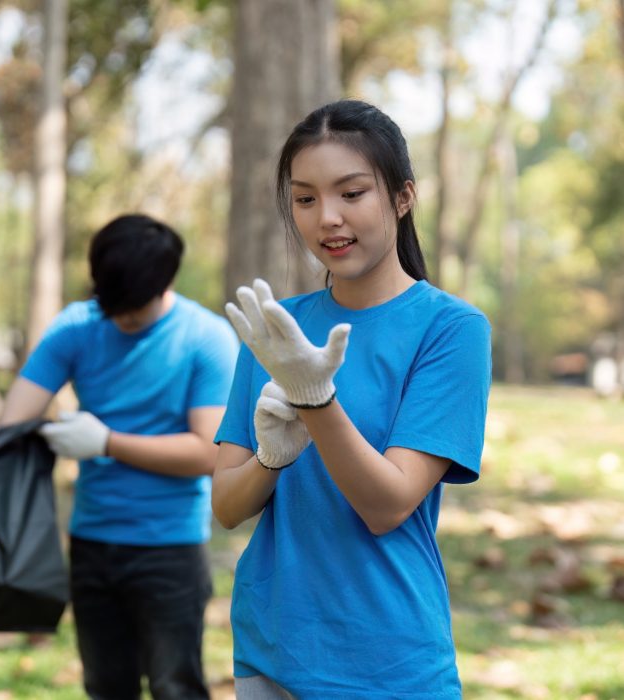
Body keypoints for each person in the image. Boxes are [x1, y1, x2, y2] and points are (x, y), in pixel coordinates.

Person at [212, 100, 492, 699]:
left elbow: (386, 505)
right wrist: (270, 458)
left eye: (352, 193)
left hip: (390, 662)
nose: (328, 219)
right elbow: (226, 507)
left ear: (402, 197)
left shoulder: (451, 329)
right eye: (306, 198)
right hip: (272, 652)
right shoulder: (276, 328)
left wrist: (314, 398)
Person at [0, 214, 239, 700]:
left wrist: (107, 443)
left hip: (170, 546)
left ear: (164, 282)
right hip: (91, 543)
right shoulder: (78, 325)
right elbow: (13, 423)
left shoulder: (206, 339)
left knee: (176, 686)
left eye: (133, 306)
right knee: (106, 687)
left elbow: (208, 452)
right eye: (111, 304)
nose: (121, 318)